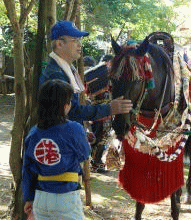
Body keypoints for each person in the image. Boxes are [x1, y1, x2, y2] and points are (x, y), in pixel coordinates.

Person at [39, 20, 132, 124]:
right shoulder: (56, 75)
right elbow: (71, 112)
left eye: (80, 40)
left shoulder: (65, 70)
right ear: (60, 44)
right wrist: (109, 108)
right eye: (75, 40)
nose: (80, 45)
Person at [23, 79, 91, 219]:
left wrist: (28, 198)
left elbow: (28, 168)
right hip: (66, 197)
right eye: (68, 101)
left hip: (41, 198)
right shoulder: (74, 128)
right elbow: (85, 154)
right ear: (64, 106)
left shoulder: (33, 133)